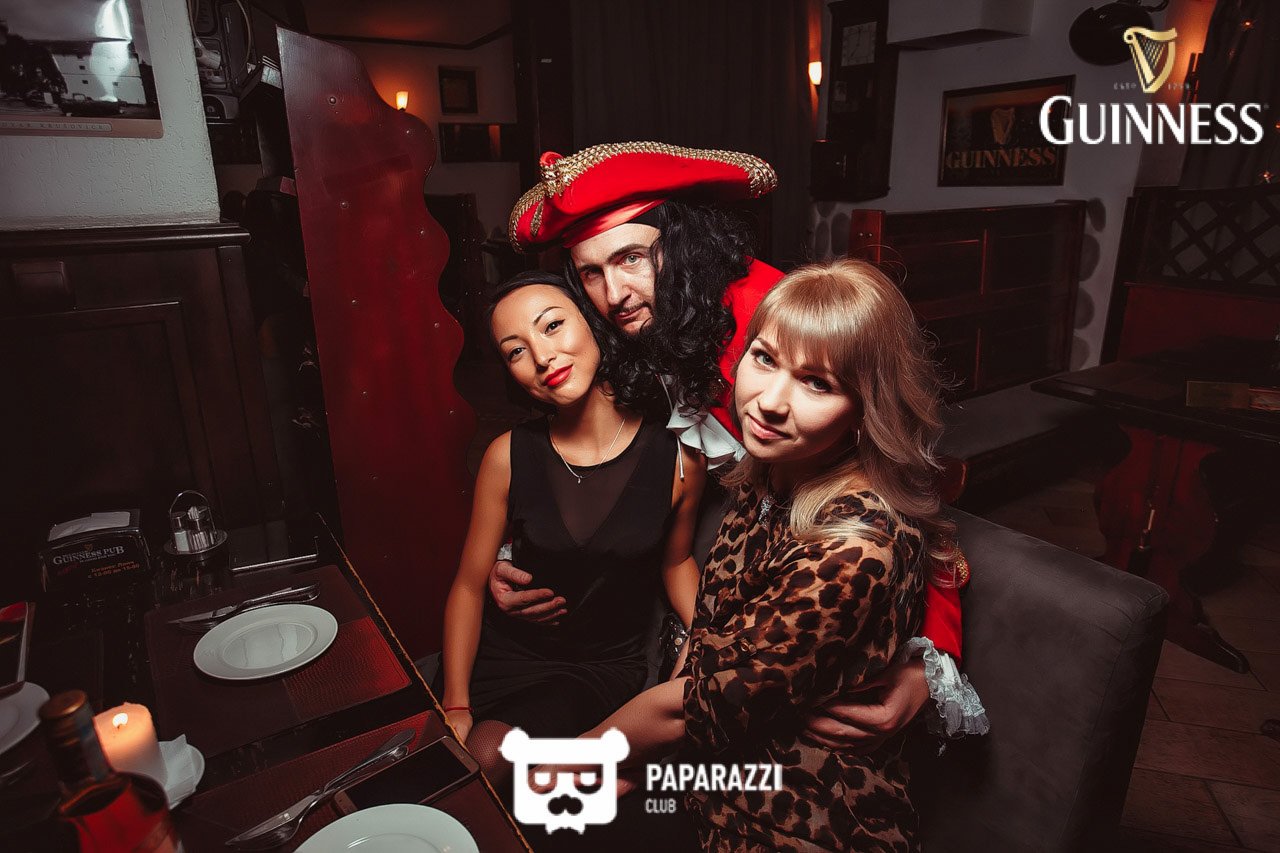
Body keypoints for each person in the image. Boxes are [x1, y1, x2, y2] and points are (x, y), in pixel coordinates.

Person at [499, 142, 985, 744]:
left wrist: (930, 663)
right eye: (590, 274)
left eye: (631, 259)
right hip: (729, 580)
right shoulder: (632, 326)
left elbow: (910, 491)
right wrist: (517, 553)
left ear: (682, 243)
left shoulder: (768, 329)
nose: (614, 293)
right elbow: (593, 446)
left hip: (816, 592)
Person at [531, 258, 955, 850]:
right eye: (765, 358)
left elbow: (698, 704)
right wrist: (638, 764)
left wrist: (579, 758)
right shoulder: (773, 473)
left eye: (818, 383)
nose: (769, 401)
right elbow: (711, 634)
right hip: (713, 780)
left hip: (804, 816)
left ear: (866, 411)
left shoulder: (854, 548)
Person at [441, 271, 706, 787]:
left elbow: (676, 562)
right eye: (516, 351)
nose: (542, 357)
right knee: (452, 768)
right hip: (506, 654)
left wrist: (709, 633)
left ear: (592, 323)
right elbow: (469, 586)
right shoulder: (506, 456)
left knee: (489, 758)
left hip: (599, 666)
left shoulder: (678, 458)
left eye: (552, 326)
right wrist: (456, 703)